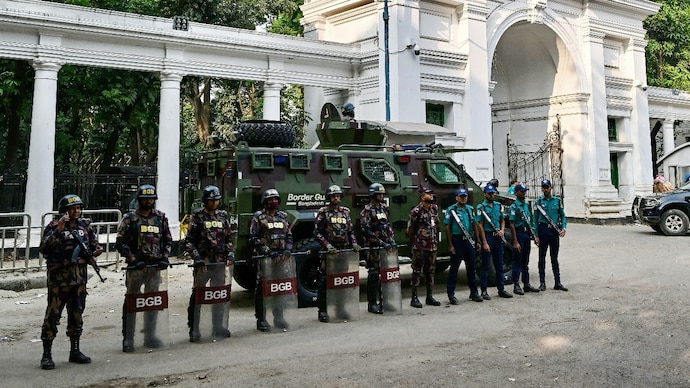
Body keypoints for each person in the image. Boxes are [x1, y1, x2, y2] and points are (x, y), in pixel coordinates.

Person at [39, 194, 103, 370]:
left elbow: (93, 244)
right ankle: (47, 354)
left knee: (77, 314)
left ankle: (75, 350)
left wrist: (96, 251)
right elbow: (44, 248)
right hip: (59, 280)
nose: (77, 211)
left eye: (78, 208)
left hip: (78, 279)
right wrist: (59, 229)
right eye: (73, 208)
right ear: (65, 211)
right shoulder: (53, 226)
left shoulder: (84, 226)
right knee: (53, 316)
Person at [116, 184, 173, 352]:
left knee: (153, 301)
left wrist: (164, 257)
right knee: (132, 302)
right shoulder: (130, 218)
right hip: (136, 268)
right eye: (145, 198)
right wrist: (132, 259)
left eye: (151, 198)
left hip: (155, 268)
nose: (148, 201)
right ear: (139, 199)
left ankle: (150, 335)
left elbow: (168, 240)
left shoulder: (161, 218)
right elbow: (120, 242)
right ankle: (128, 338)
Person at [185, 185, 234, 341]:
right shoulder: (197, 217)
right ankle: (194, 329)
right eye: (211, 200)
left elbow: (228, 238)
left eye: (216, 200)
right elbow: (189, 241)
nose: (214, 203)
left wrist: (230, 254)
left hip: (219, 263)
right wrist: (197, 258)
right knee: (198, 295)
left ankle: (218, 327)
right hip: (203, 263)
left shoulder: (222, 216)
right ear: (205, 201)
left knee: (218, 296)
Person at [314, 184, 361, 322]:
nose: (336, 198)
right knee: (325, 280)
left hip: (343, 252)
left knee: (342, 281)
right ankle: (322, 310)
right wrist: (327, 245)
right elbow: (317, 232)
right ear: (329, 197)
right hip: (328, 253)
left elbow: (350, 231)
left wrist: (354, 243)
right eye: (333, 196)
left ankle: (340, 309)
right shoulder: (323, 212)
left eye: (338, 195)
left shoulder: (345, 212)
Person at [249, 188, 293, 331]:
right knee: (263, 289)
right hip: (266, 259)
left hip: (281, 259)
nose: (273, 202)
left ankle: (279, 317)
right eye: (270, 200)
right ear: (265, 202)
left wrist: (288, 249)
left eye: (275, 200)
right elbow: (254, 238)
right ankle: (261, 319)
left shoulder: (283, 216)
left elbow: (289, 235)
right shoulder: (259, 217)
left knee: (279, 288)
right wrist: (269, 252)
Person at [360, 183, 395, 314]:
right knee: (374, 274)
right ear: (373, 195)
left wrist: (391, 239)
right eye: (379, 194)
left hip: (385, 247)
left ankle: (385, 301)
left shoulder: (384, 208)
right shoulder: (367, 210)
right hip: (373, 248)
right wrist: (380, 242)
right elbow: (366, 230)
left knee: (386, 274)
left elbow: (388, 226)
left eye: (382, 194)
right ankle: (372, 303)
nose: (381, 196)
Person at [443, 188, 483, 304]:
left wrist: (477, 241)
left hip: (468, 241)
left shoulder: (470, 209)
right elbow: (447, 228)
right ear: (456, 197)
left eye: (465, 196)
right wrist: (450, 245)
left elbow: (474, 224)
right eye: (461, 196)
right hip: (457, 241)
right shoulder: (451, 210)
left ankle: (474, 293)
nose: (463, 198)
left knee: (471, 267)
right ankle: (451, 294)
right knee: (454, 268)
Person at [476, 184, 513, 299]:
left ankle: (501, 289)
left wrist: (502, 230)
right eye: (489, 193)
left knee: (499, 265)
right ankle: (484, 291)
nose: (491, 195)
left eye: (493, 193)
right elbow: (480, 225)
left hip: (498, 238)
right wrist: (484, 242)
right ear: (485, 194)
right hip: (488, 237)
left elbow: (502, 220)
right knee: (486, 266)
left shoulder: (497, 205)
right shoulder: (481, 207)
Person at [406, 187, 441, 308]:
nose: (430, 196)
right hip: (420, 246)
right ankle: (414, 298)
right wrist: (415, 242)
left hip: (432, 246)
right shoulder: (416, 211)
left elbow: (437, 225)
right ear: (422, 197)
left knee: (430, 272)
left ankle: (429, 296)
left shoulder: (434, 209)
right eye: (428, 194)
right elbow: (410, 229)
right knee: (416, 271)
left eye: (431, 194)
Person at [533, 179, 568, 291]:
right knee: (541, 258)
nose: (545, 189)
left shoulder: (557, 201)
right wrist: (536, 235)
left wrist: (564, 228)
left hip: (554, 231)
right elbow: (534, 220)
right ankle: (542, 283)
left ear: (550, 188)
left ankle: (557, 282)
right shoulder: (538, 202)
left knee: (554, 258)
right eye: (544, 187)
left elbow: (562, 216)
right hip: (543, 230)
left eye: (547, 187)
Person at [508, 184, 540, 295]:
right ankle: (516, 285)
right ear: (516, 193)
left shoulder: (526, 206)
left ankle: (526, 284)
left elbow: (530, 222)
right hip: (519, 233)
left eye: (524, 191)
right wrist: (515, 241)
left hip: (526, 233)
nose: (524, 193)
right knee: (517, 260)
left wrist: (534, 236)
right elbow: (511, 224)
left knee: (525, 261)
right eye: (522, 191)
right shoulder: (514, 207)